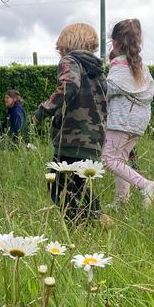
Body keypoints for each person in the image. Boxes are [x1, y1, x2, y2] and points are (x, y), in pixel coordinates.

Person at [33, 23, 107, 221]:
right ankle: (96, 218)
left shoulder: (70, 61)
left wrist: (43, 110)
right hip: (95, 136)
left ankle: (78, 222)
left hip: (73, 135)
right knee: (79, 182)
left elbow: (69, 85)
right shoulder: (97, 69)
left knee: (57, 183)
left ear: (65, 44)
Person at [102, 19, 154, 207]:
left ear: (115, 43)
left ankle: (146, 185)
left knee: (108, 159)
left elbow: (108, 90)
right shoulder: (142, 66)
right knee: (120, 159)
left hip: (121, 120)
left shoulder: (119, 64)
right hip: (138, 121)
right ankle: (121, 201)